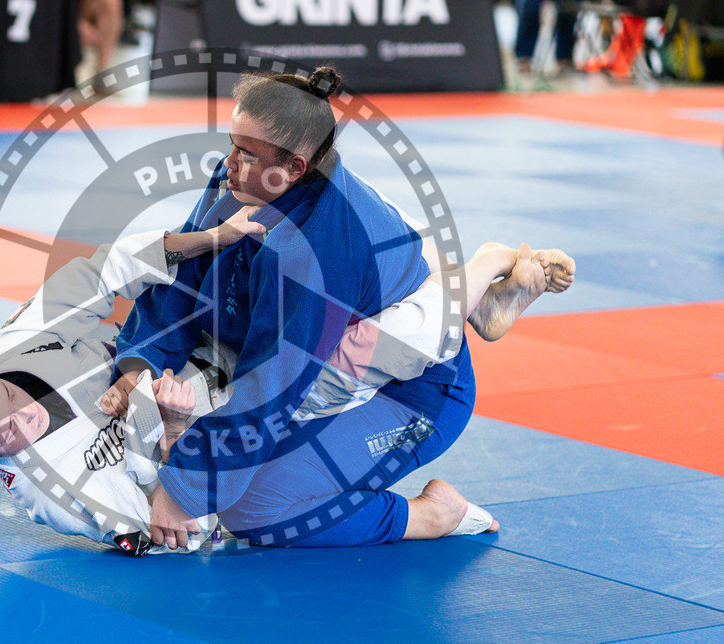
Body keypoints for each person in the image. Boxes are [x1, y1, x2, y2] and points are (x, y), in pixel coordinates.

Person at [0, 198, 573, 554]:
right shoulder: (55, 494)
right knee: (268, 495)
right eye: (5, 439)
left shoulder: (19, 343)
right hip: (219, 425)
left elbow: (109, 269)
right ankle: (429, 512)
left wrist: (207, 240)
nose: (25, 420)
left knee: (267, 246)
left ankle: (473, 286)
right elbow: (186, 519)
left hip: (211, 353)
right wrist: (175, 430)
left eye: (9, 401)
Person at [109, 67, 576, 550]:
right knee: (132, 415)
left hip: (414, 392)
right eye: (232, 143)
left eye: (245, 152)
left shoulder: (316, 252)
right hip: (320, 352)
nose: (228, 162)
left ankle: (430, 516)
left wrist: (185, 490)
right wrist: (139, 360)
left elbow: (274, 384)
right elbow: (186, 281)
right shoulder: (245, 181)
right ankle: (479, 285)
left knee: (253, 510)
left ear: (293, 167)